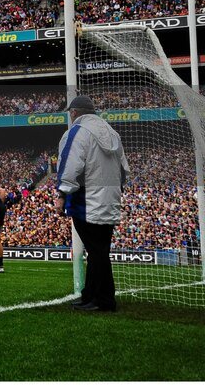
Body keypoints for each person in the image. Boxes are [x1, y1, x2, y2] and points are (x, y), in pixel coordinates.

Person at [55, 95, 129, 312]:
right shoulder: (112, 133)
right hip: (109, 198)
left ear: (74, 113)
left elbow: (70, 165)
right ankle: (91, 295)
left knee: (96, 251)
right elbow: (124, 170)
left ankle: (102, 300)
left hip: (86, 199)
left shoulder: (78, 132)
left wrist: (61, 194)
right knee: (100, 250)